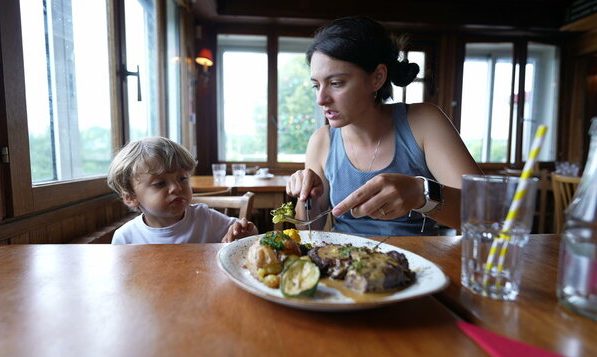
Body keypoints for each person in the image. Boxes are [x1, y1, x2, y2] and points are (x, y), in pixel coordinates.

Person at [286, 16, 482, 237]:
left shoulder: (423, 122)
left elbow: (487, 215)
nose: (321, 99)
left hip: (420, 264)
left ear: (377, 78)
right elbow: (309, 230)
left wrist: (421, 194)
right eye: (316, 85)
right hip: (343, 265)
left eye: (336, 83)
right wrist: (308, 199)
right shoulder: (321, 141)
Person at [107, 136, 258, 244]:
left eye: (182, 178)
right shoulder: (125, 238)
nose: (176, 188)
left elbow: (250, 235)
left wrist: (245, 232)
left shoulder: (205, 218)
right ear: (131, 197)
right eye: (160, 183)